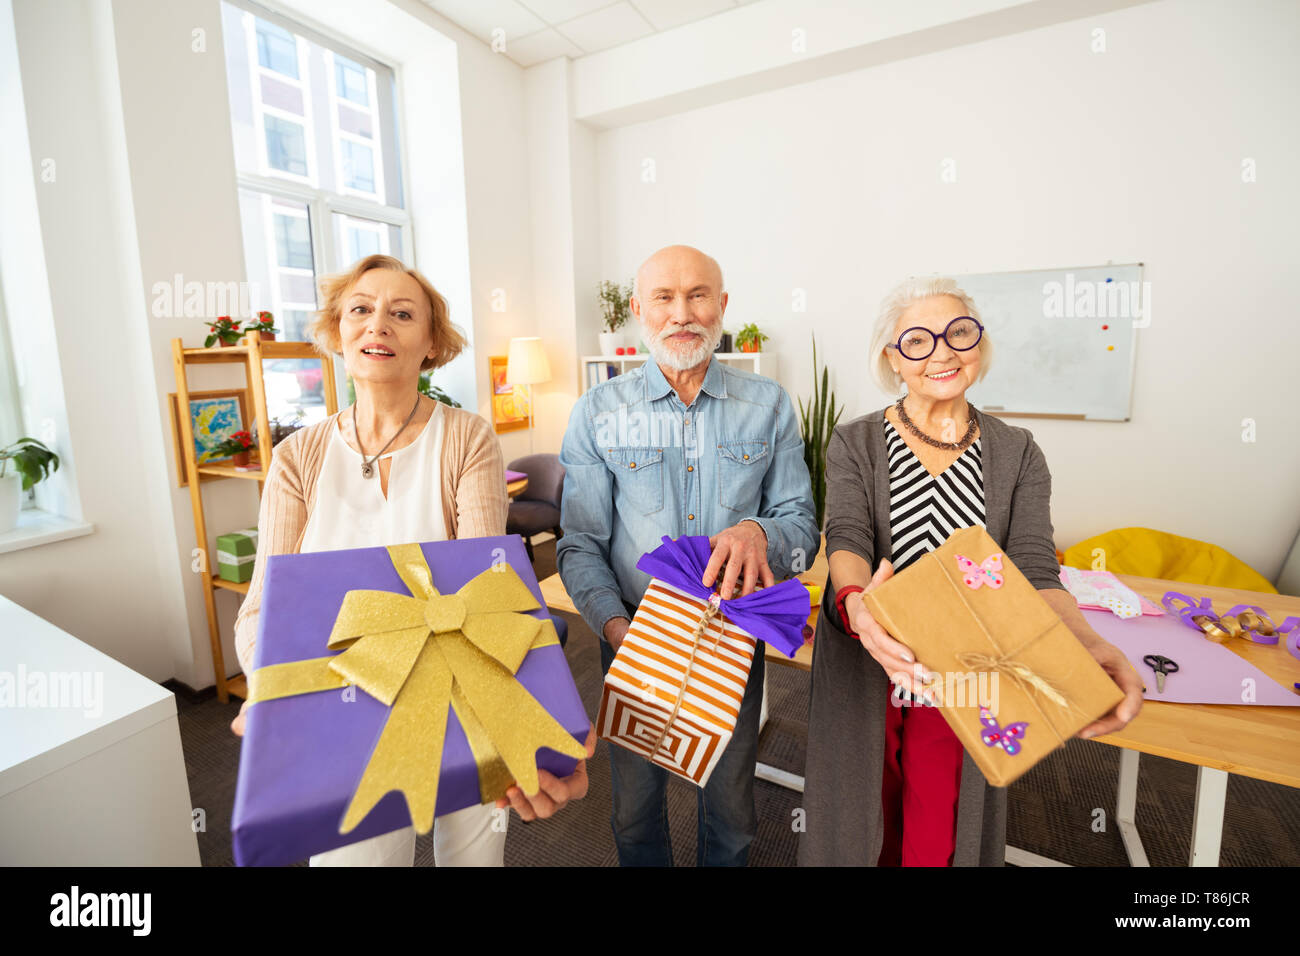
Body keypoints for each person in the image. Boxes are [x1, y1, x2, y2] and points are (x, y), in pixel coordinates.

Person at [230, 253, 594, 867]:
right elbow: (262, 607)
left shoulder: (468, 437)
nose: (379, 325)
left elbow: (490, 593)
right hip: (343, 705)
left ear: (430, 342)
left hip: (461, 696)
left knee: (474, 856)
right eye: (361, 310)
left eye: (402, 314)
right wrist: (275, 687)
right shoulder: (296, 459)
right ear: (337, 332)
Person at [798, 276, 1143, 867]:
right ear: (892, 359)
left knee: (941, 823)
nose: (942, 351)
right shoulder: (856, 441)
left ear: (979, 345)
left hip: (966, 671)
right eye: (917, 340)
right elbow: (847, 535)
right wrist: (858, 604)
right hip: (868, 660)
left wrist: (1087, 641)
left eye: (959, 332)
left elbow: (1036, 566)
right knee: (862, 819)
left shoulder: (1019, 452)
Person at [557, 244, 819, 866]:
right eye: (664, 298)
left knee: (731, 809)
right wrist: (618, 630)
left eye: (698, 296)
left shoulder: (771, 406)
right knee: (634, 809)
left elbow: (802, 527)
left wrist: (761, 533)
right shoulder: (597, 413)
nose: (682, 313)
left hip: (729, 637)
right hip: (633, 634)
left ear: (722, 307)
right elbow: (579, 544)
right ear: (638, 311)